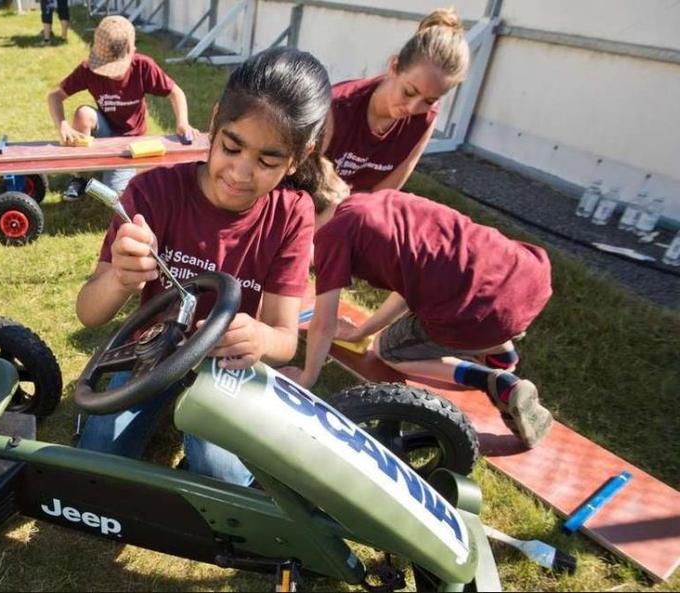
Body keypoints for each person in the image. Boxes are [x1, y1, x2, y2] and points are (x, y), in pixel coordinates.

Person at [75, 47, 344, 486]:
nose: (240, 172)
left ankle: (196, 431)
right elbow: (89, 312)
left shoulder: (293, 213)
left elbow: (282, 338)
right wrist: (121, 278)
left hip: (225, 363)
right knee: (98, 458)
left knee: (225, 476)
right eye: (232, 147)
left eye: (268, 160)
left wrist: (258, 336)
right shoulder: (153, 193)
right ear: (215, 122)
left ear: (299, 157)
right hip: (154, 348)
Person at [284, 190, 555, 448]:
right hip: (525, 279)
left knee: (387, 350)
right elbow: (408, 289)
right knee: (458, 299)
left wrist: (306, 378)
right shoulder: (382, 202)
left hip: (482, 312)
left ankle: (496, 382)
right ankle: (499, 351)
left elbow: (323, 323)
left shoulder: (332, 235)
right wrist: (358, 333)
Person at [319, 8, 469, 222]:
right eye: (409, 92)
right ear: (394, 66)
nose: (412, 108)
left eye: (429, 101)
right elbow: (305, 189)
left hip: (356, 219)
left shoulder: (424, 120)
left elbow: (382, 197)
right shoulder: (337, 107)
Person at [47, 16, 195, 199]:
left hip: (131, 140)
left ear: (132, 51)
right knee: (83, 114)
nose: (113, 75)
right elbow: (55, 96)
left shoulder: (143, 67)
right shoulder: (88, 69)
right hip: (106, 129)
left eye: (118, 69)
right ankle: (80, 177)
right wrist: (62, 124)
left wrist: (182, 122)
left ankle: (111, 169)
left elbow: (176, 93)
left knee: (114, 193)